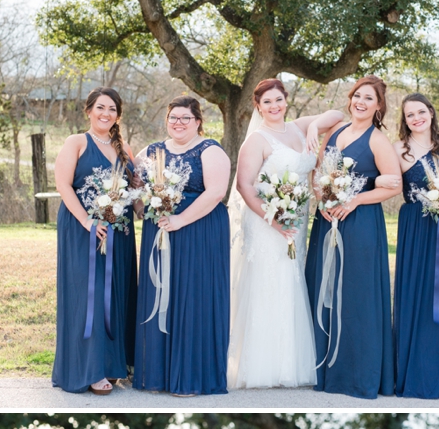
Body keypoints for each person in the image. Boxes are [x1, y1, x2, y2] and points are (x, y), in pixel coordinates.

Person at [228, 80, 346, 389]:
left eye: (278, 99)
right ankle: (261, 368)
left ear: (286, 100)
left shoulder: (299, 127)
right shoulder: (256, 139)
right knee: (269, 283)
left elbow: (338, 115)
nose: (274, 106)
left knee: (291, 282)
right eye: (267, 102)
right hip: (267, 221)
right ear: (258, 106)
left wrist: (313, 127)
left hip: (296, 221)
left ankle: (290, 365)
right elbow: (245, 186)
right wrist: (274, 219)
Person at [305, 76, 401, 400]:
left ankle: (355, 376)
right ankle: (322, 370)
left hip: (359, 224)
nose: (360, 102)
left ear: (378, 107)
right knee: (322, 286)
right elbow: (318, 173)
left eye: (368, 98)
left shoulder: (378, 141)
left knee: (356, 294)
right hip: (327, 220)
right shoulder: (335, 132)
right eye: (357, 95)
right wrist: (323, 200)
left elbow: (393, 185)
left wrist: (355, 200)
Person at [133, 96, 231, 395]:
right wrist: (141, 206)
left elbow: (215, 193)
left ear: (198, 121)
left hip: (200, 232)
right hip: (160, 230)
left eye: (185, 118)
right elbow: (135, 187)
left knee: (193, 298)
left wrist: (180, 220)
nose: (178, 123)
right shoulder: (151, 151)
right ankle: (157, 375)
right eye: (173, 117)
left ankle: (190, 378)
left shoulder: (210, 150)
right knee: (160, 294)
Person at [52, 87, 138, 394]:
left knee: (115, 295)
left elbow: (134, 190)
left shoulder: (125, 148)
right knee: (88, 297)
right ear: (88, 110)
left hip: (120, 232)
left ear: (118, 115)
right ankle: (88, 370)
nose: (106, 114)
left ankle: (114, 366)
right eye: (100, 107)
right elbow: (63, 184)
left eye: (112, 109)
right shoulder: (76, 142)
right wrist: (88, 221)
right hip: (82, 230)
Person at [392, 93, 439, 399]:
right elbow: (386, 181)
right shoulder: (399, 149)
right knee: (416, 294)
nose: (416, 118)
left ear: (431, 112)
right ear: (405, 120)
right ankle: (411, 373)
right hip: (414, 225)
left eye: (421, 112)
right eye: (410, 115)